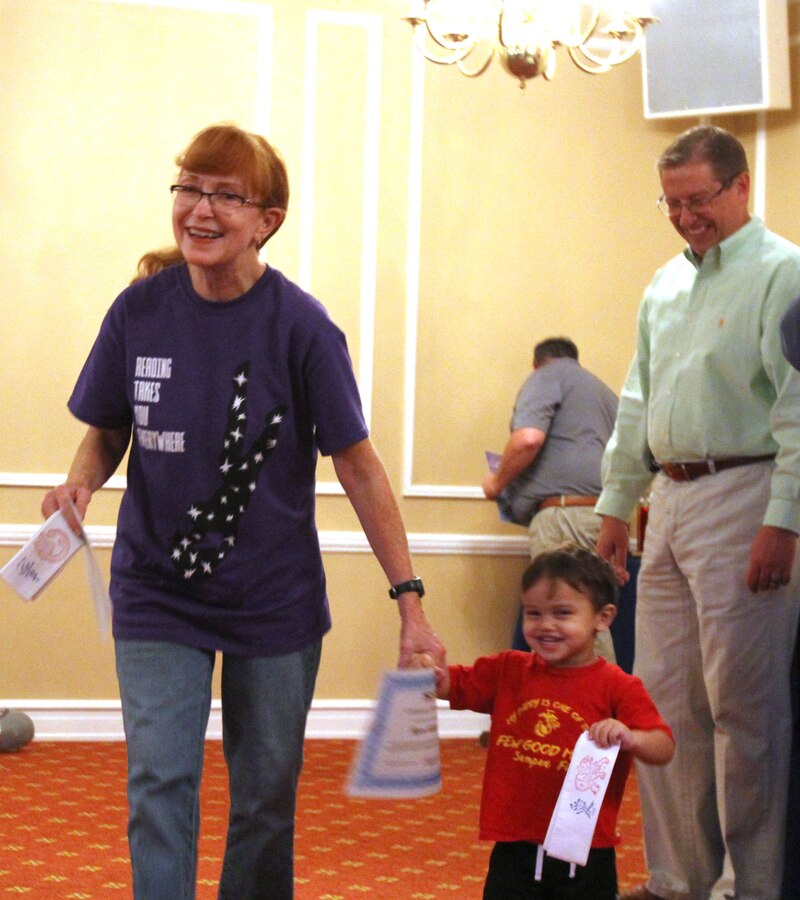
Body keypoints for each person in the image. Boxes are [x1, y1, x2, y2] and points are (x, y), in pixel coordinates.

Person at [41, 123, 443, 900]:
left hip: (272, 597)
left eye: (227, 195)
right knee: (160, 780)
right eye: (189, 188)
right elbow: (109, 430)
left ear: (267, 220)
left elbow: (359, 466)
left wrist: (410, 599)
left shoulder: (302, 327)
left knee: (265, 798)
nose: (201, 209)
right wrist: (78, 484)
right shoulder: (138, 312)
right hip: (157, 589)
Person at [596, 125, 800, 900]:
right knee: (665, 706)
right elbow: (638, 399)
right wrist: (617, 503)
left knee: (743, 712)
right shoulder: (665, 285)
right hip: (671, 500)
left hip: (748, 493)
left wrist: (784, 518)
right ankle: (678, 880)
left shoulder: (785, 273)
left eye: (698, 200)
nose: (685, 217)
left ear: (741, 186)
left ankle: (749, 887)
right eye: (671, 203)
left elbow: (798, 407)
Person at [435, 544, 674, 899]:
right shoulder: (508, 670)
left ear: (603, 618)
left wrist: (630, 736)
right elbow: (450, 684)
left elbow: (663, 746)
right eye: (533, 613)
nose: (545, 625)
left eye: (563, 613)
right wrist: (427, 671)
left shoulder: (618, 686)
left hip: (586, 852)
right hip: (514, 848)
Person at [482, 337, 618, 653]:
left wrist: (496, 484)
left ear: (536, 364)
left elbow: (527, 439)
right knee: (590, 620)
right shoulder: (605, 394)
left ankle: (585, 689)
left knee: (564, 626)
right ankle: (600, 686)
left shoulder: (546, 376)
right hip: (606, 517)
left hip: (563, 517)